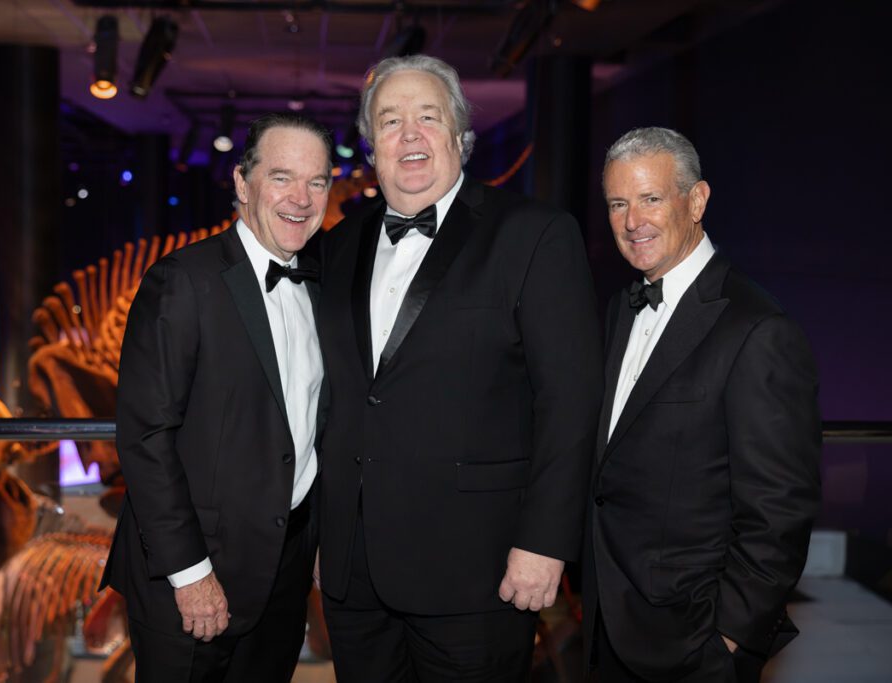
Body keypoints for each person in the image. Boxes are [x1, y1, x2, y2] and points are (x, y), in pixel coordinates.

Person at [316, 54, 603, 681]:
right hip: (353, 575)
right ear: (372, 146)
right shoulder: (339, 243)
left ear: (460, 136)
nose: (410, 134)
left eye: (428, 116)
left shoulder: (533, 234)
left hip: (479, 571)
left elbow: (572, 401)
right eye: (390, 121)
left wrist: (546, 542)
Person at [583, 126, 821, 682]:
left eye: (650, 198)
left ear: (697, 200)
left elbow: (778, 511)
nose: (632, 220)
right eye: (618, 203)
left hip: (692, 643)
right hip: (609, 624)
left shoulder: (757, 328)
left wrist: (729, 638)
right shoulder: (621, 307)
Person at [100, 112, 333, 681]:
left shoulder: (324, 285)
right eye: (282, 177)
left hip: (285, 574)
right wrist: (190, 573)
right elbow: (146, 436)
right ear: (241, 183)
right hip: (193, 574)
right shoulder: (183, 280)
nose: (300, 198)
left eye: (318, 181)